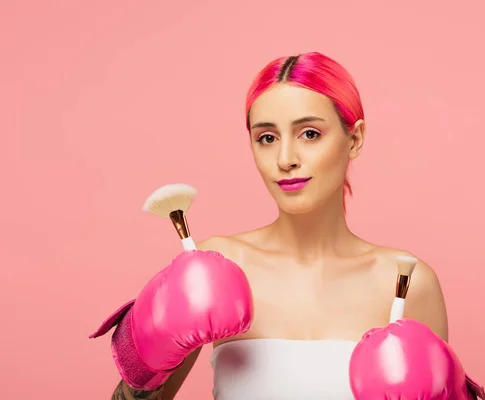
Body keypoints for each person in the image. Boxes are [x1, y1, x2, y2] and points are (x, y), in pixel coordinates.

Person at [111, 52, 450, 400]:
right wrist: (147, 359)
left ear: (355, 138)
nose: (286, 159)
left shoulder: (408, 283)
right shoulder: (219, 263)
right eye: (267, 138)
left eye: (310, 133)